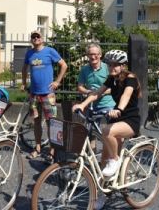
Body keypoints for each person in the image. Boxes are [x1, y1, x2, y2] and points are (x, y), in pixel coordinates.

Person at [75, 49, 141, 178]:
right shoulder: (112, 78)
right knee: (104, 162)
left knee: (106, 132)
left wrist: (119, 109)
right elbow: (96, 93)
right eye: (110, 64)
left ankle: (115, 160)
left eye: (115, 65)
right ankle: (104, 192)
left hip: (130, 120)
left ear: (123, 66)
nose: (112, 67)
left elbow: (126, 95)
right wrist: (82, 105)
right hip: (116, 119)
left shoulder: (130, 78)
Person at [21, 30, 68, 161]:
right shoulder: (29, 53)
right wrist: (24, 83)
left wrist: (57, 81)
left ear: (42, 39)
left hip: (48, 94)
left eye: (38, 36)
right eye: (33, 37)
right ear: (31, 40)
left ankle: (52, 151)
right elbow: (24, 69)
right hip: (34, 94)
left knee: (51, 123)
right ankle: (37, 148)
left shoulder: (50, 51)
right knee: (36, 122)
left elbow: (64, 65)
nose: (35, 38)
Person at [73, 43, 115, 150]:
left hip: (107, 103)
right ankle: (93, 152)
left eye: (96, 54)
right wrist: (88, 91)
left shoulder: (107, 68)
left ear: (100, 55)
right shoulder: (84, 69)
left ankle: (112, 151)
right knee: (91, 131)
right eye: (91, 54)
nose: (93, 57)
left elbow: (114, 87)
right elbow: (80, 87)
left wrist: (101, 92)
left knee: (111, 131)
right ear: (87, 55)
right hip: (91, 104)